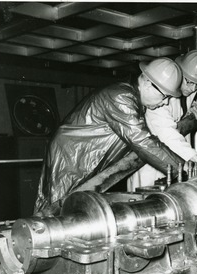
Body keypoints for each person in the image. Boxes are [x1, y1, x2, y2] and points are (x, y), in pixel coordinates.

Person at [34, 57, 184, 216]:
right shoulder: (121, 98)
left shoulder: (131, 97)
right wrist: (182, 169)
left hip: (81, 156)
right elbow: (143, 141)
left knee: (75, 209)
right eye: (165, 96)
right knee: (58, 212)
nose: (166, 103)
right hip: (72, 157)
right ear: (148, 84)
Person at [127, 50, 197, 192]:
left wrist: (189, 108)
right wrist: (194, 158)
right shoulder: (159, 95)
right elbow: (166, 133)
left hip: (174, 159)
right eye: (189, 82)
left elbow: (178, 109)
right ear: (179, 73)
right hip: (149, 162)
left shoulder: (190, 88)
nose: (192, 89)